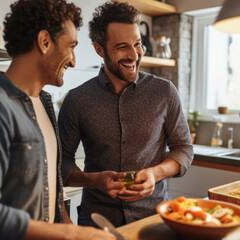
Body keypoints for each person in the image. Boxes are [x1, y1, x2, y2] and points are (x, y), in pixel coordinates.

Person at [0, 0, 116, 239]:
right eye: (71, 47)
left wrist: (69, 227)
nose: (73, 60)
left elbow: (48, 190)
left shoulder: (45, 104)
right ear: (44, 41)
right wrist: (70, 234)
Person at [58, 1, 194, 228]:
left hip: (154, 219)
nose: (134, 55)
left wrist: (155, 173)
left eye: (138, 44)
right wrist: (93, 180)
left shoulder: (164, 91)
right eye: (122, 47)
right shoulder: (76, 100)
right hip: (97, 222)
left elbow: (184, 149)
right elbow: (61, 163)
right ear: (99, 49)